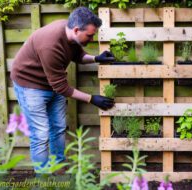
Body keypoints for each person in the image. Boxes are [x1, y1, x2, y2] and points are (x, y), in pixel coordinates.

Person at [10, 7, 115, 170]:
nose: (92, 39)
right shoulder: (50, 45)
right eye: (90, 35)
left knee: (58, 127)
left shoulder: (69, 33)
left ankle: (57, 169)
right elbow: (61, 87)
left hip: (52, 83)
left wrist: (96, 58)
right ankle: (44, 178)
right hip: (30, 85)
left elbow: (78, 56)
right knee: (41, 134)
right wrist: (92, 99)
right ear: (76, 29)